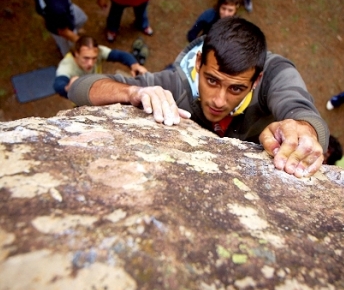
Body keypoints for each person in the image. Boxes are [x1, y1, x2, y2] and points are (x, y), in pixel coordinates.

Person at [69, 17, 329, 178]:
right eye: (212, 80)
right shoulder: (175, 83)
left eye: (236, 89)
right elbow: (81, 87)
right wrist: (132, 92)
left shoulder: (275, 73)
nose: (218, 100)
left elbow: (301, 109)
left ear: (257, 80)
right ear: (198, 63)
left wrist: (302, 130)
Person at [54, 36, 147, 98]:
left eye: (94, 58)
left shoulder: (99, 51)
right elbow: (58, 85)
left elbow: (119, 55)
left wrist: (134, 64)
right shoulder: (67, 65)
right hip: (81, 96)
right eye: (86, 58)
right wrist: (67, 87)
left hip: (97, 84)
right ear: (76, 53)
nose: (90, 63)